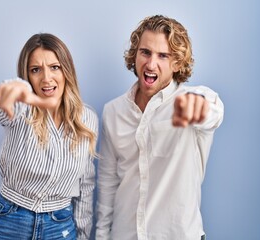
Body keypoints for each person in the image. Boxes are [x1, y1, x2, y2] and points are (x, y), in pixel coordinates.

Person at [95, 15, 224, 240]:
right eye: (145, 52)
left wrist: (200, 108)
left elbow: (212, 111)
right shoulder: (113, 111)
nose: (151, 63)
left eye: (163, 55)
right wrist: (102, 236)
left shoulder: (190, 100)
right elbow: (107, 185)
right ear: (135, 55)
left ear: (176, 63)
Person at [0, 33, 98, 240]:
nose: (46, 78)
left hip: (60, 225)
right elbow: (5, 107)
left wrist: (82, 233)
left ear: (67, 70)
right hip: (9, 222)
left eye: (54, 67)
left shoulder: (87, 119)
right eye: (35, 70)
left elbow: (85, 186)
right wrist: (12, 92)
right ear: (27, 77)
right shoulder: (21, 111)